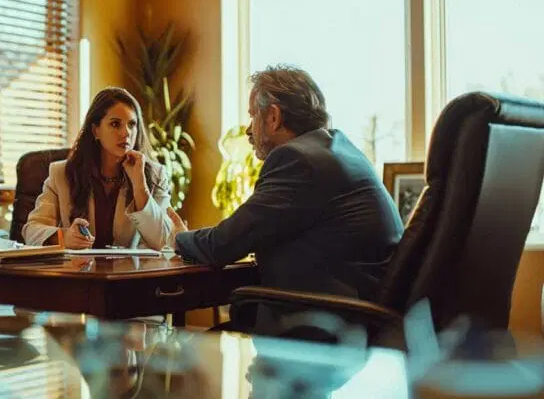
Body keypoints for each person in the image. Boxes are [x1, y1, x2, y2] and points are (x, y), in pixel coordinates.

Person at [167, 64, 404, 330]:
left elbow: (222, 244)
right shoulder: (338, 150)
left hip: (325, 326)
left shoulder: (297, 160)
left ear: (273, 117)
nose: (249, 130)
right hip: (362, 320)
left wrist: (177, 237)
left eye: (252, 117)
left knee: (184, 350)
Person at [23, 87, 173, 250]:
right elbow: (31, 231)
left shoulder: (155, 174)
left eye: (132, 124)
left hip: (128, 273)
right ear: (96, 131)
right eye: (115, 124)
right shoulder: (61, 174)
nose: (126, 133)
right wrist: (64, 237)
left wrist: (140, 186)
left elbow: (164, 241)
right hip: (79, 272)